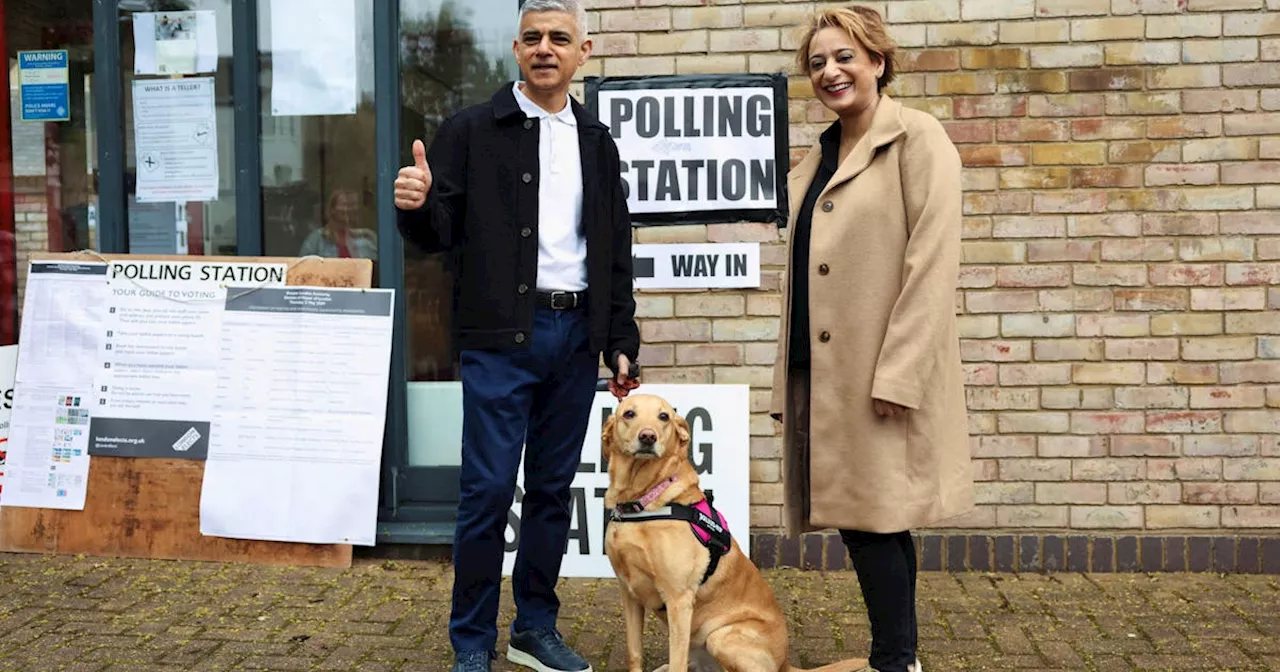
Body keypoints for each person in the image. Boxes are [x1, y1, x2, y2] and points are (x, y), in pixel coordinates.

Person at [392, 1, 639, 671]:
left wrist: (621, 335)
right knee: (489, 492)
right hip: (501, 340)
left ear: (583, 52)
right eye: (533, 37)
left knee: (553, 492)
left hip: (573, 336)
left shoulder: (597, 141)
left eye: (560, 38)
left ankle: (534, 627)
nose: (545, 48)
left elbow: (614, 251)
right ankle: (471, 640)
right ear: (515, 48)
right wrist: (413, 205)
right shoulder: (472, 131)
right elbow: (436, 234)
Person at [770, 6, 974, 672]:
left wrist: (901, 373)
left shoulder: (918, 139)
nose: (830, 72)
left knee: (873, 521)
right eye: (818, 63)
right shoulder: (818, 157)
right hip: (825, 370)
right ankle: (899, 658)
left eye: (844, 57)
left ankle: (896, 660)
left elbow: (932, 263)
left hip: (875, 369)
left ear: (878, 61)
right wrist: (786, 381)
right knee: (874, 520)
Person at [298, 187, 377, 260]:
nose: (348, 209)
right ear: (332, 209)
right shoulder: (317, 239)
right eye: (344, 204)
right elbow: (302, 268)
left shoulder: (367, 239)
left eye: (352, 205)